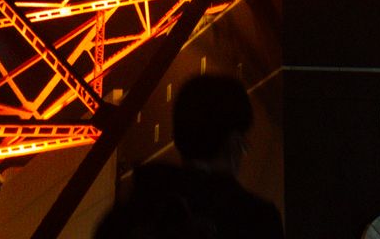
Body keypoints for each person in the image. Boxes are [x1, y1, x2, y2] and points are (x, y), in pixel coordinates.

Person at [95, 73, 284, 238]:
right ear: (233, 143)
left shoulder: (125, 219)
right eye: (243, 143)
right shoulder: (254, 220)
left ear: (177, 139)